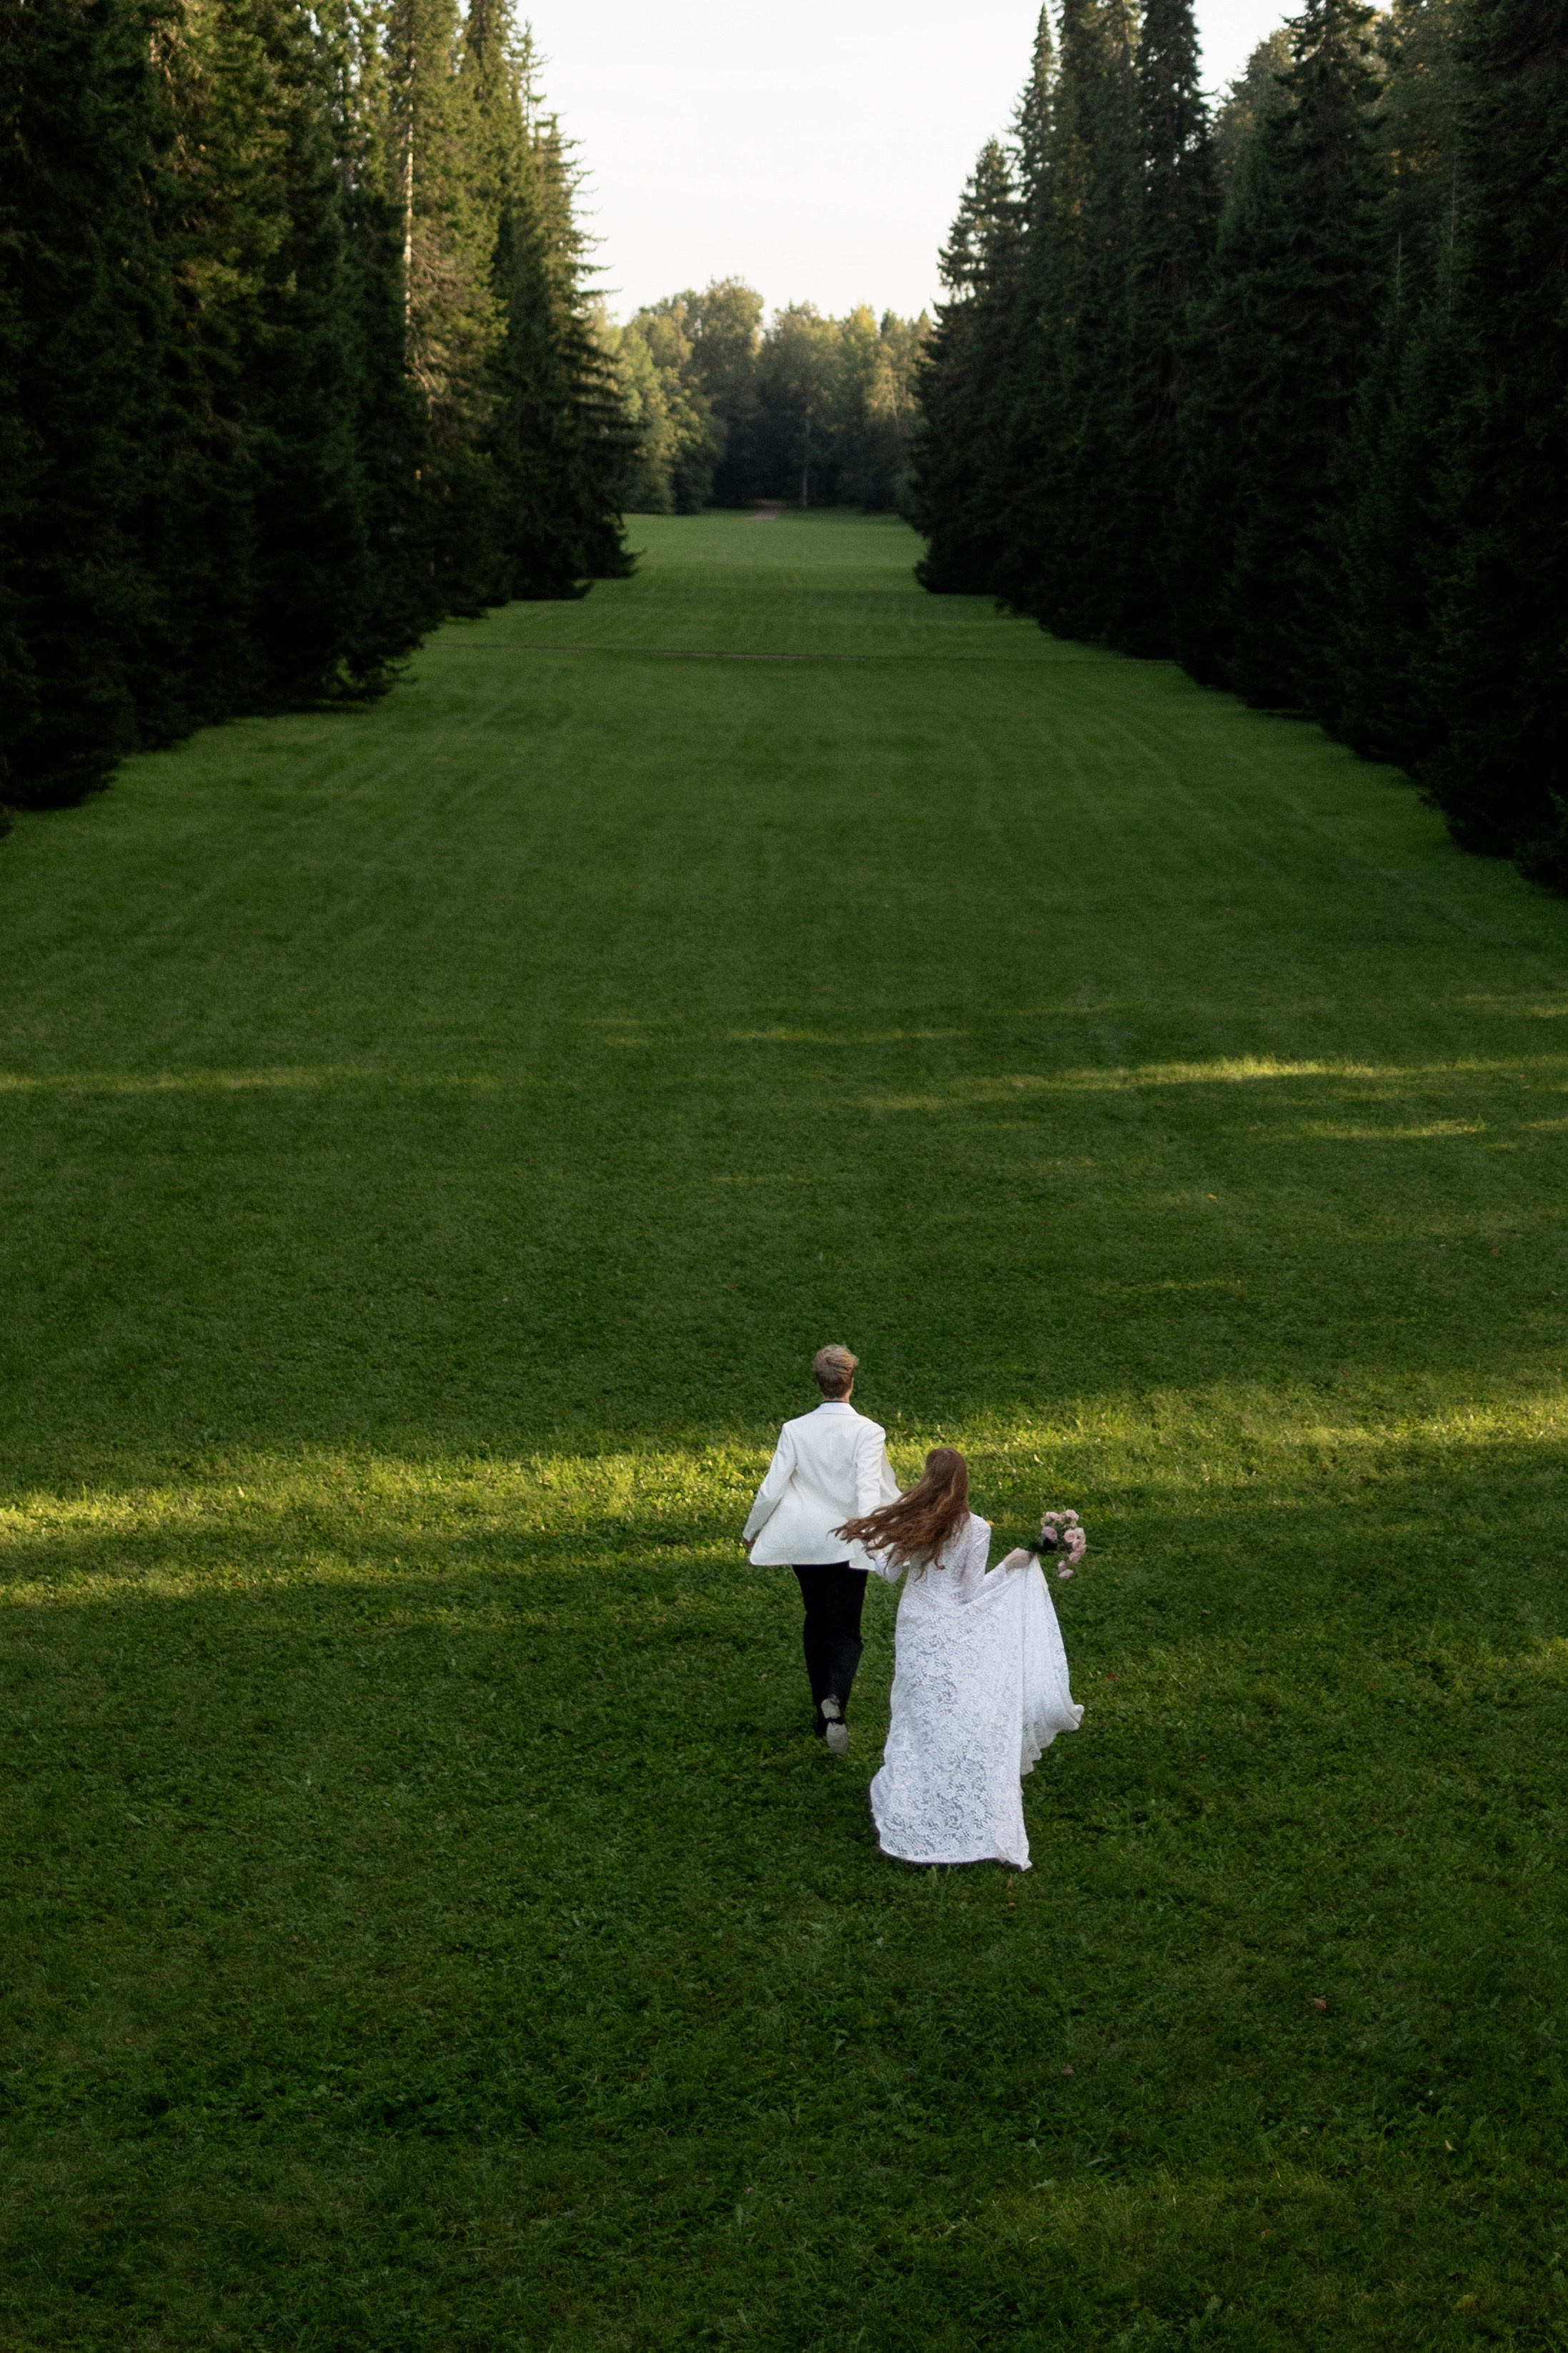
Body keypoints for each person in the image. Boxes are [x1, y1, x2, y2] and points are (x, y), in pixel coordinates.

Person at [839, 1446, 1082, 1870]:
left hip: (917, 1626)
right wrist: (1007, 1567)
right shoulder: (977, 1528)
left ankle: (911, 1800)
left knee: (915, 1711)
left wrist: (875, 1553)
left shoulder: (914, 1520)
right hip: (951, 1626)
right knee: (949, 1709)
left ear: (928, 1478)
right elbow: (970, 1593)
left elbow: (889, 1574)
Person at [743, 1344, 898, 1752]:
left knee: (816, 1620)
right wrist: (871, 1536)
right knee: (846, 1629)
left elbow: (771, 1489)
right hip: (847, 1542)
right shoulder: (868, 1431)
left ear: (818, 1382)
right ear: (851, 1382)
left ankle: (821, 1713)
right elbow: (868, 1488)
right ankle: (835, 1700)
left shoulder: (795, 1429)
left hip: (805, 1542)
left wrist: (751, 1530)